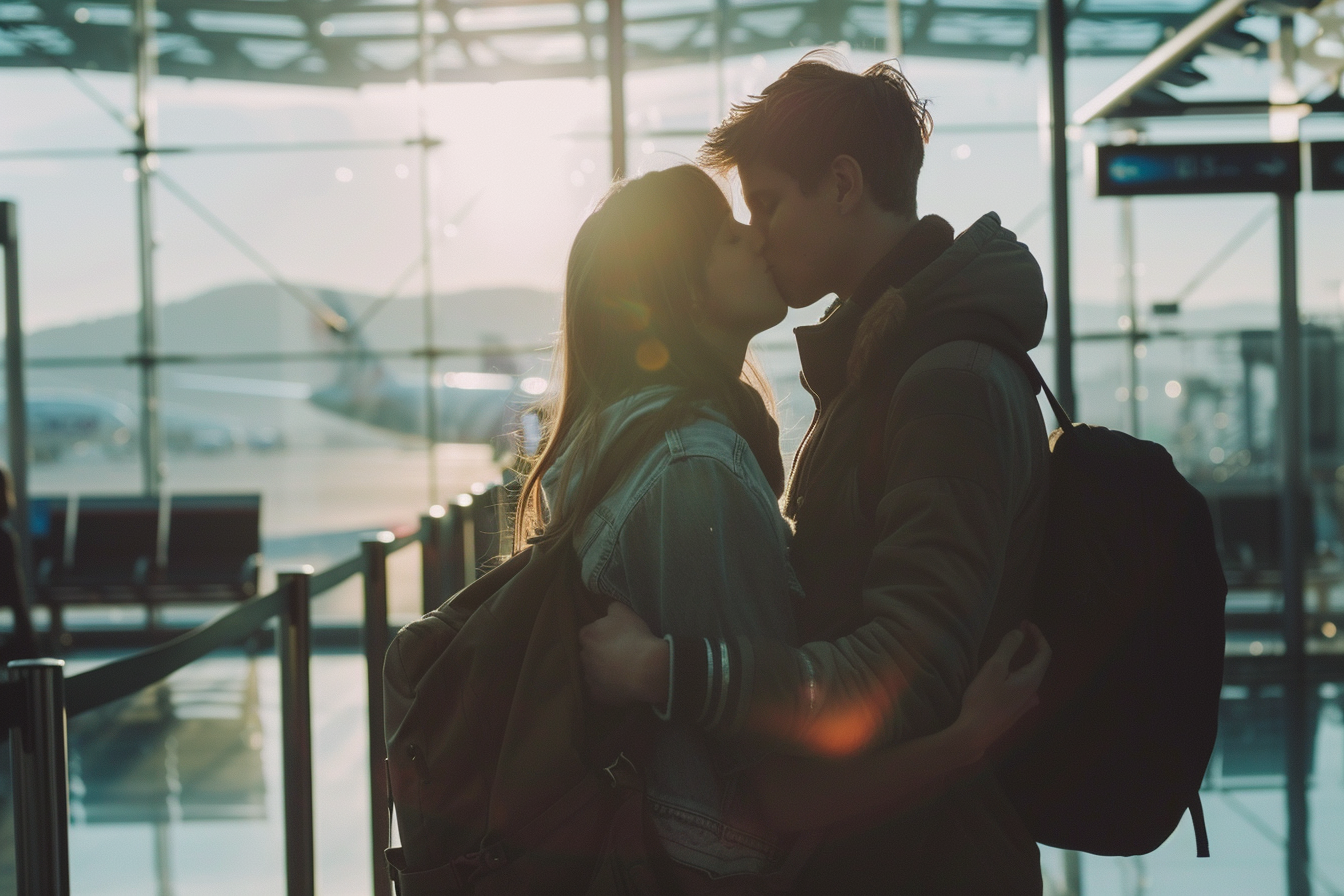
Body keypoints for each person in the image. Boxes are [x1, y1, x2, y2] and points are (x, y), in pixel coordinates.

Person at [579, 55, 1053, 894]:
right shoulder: (884, 362)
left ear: (841, 184)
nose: (757, 234)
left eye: (766, 203)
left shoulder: (945, 379)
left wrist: (666, 671)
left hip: (926, 859)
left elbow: (902, 680)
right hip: (891, 844)